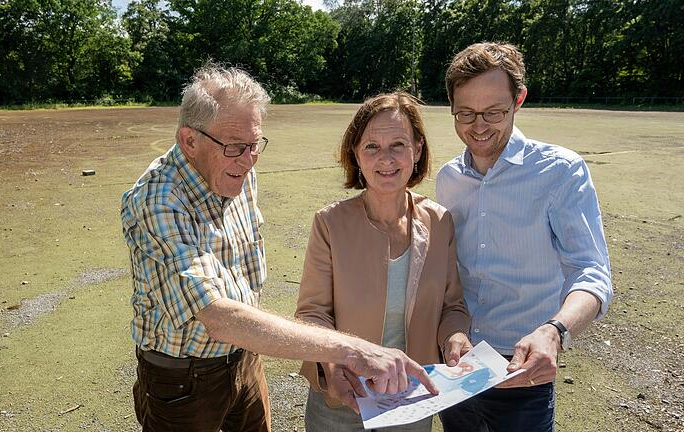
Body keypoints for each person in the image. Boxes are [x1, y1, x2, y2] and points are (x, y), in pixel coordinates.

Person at [121, 66, 433, 432]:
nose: (249, 160)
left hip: (244, 359)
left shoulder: (237, 165)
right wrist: (354, 351)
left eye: (255, 145)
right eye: (236, 147)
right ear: (190, 141)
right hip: (183, 380)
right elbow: (219, 318)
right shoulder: (156, 200)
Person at [435, 42, 613, 432]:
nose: (478, 126)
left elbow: (591, 270)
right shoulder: (448, 178)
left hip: (521, 368)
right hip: (456, 364)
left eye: (494, 112)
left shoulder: (560, 171)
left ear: (519, 100)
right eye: (465, 113)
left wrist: (556, 330)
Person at [295, 92, 472, 432]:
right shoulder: (330, 223)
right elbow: (312, 313)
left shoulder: (439, 221)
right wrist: (333, 368)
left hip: (412, 395)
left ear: (417, 150)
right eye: (372, 146)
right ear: (356, 155)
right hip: (343, 397)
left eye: (398, 145)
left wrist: (455, 337)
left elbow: (453, 306)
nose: (386, 158)